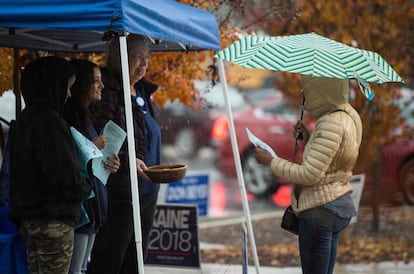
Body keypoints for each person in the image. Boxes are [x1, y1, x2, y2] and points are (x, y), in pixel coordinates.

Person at [255, 76, 363, 274]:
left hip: (320, 209)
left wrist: (271, 162)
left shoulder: (330, 123)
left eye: (309, 91)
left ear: (322, 90)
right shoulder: (349, 115)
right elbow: (337, 156)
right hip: (339, 202)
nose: (305, 96)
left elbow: (309, 174)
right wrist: (310, 139)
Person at [8, 56, 93, 274]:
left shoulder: (25, 119)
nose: (68, 94)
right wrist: (87, 185)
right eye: (66, 87)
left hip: (29, 220)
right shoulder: (51, 123)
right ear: (53, 85)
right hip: (54, 221)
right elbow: (64, 177)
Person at [88, 34, 161, 274]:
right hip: (121, 187)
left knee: (136, 258)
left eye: (146, 58)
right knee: (112, 255)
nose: (144, 64)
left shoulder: (141, 90)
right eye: (137, 58)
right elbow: (102, 140)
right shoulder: (107, 91)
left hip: (147, 187)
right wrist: (130, 159)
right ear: (119, 56)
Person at [63, 58, 121, 274]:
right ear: (82, 85)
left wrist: (110, 163)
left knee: (81, 269)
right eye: (96, 81)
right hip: (81, 211)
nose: (102, 86)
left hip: (94, 211)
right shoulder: (68, 118)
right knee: (74, 270)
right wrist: (92, 147)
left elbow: (91, 162)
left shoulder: (89, 117)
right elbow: (69, 160)